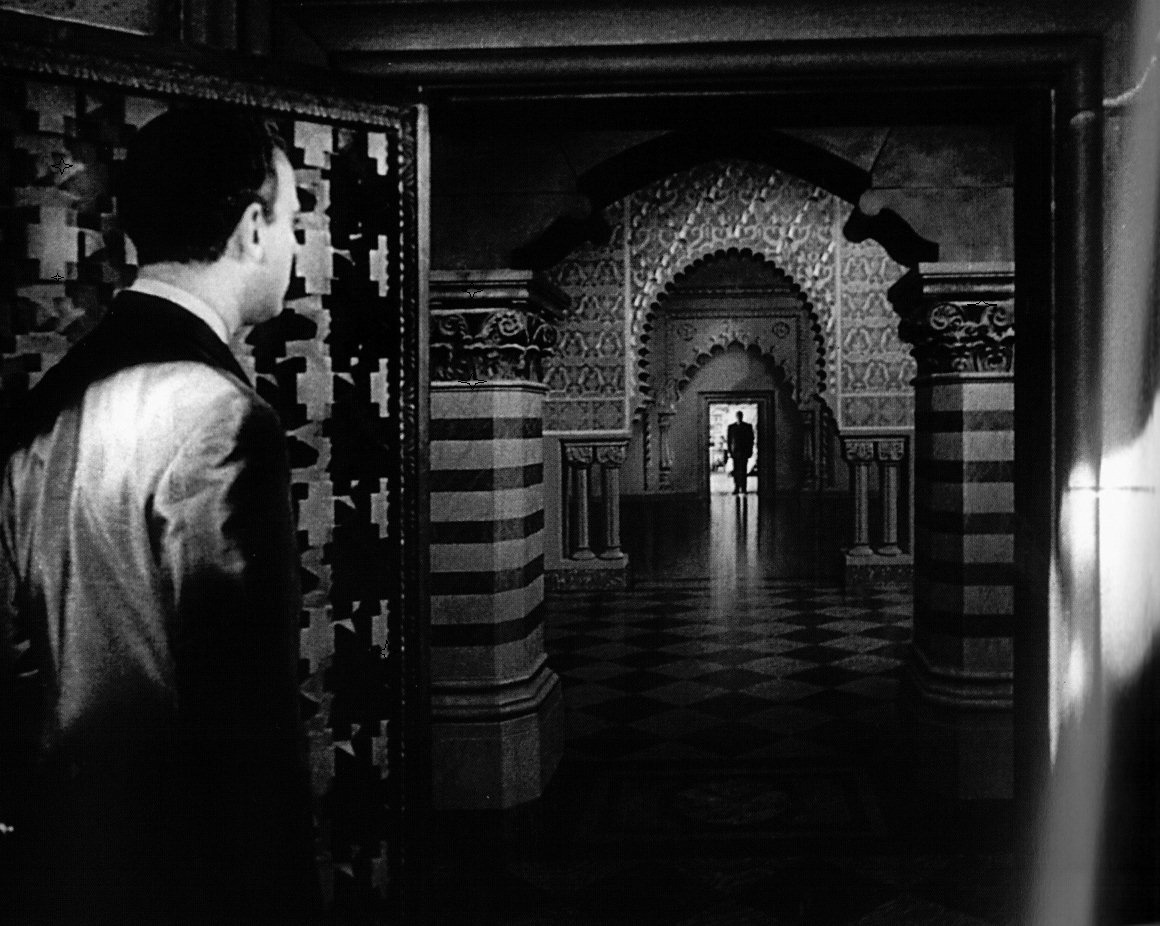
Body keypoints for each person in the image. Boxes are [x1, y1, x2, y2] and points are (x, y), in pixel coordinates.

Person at [0, 107, 322, 925]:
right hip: (184, 870)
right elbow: (244, 718)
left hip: (57, 854)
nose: (292, 247)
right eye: (291, 223)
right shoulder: (219, 415)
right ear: (252, 229)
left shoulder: (44, 403)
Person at [726, 410, 755, 495]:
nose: (739, 417)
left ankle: (743, 488)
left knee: (743, 470)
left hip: (744, 451)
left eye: (740, 416)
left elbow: (751, 440)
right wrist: (729, 451)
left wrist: (750, 451)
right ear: (736, 417)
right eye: (738, 416)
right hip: (735, 452)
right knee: (736, 471)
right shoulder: (731, 427)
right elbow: (729, 440)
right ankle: (736, 487)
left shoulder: (747, 426)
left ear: (742, 416)